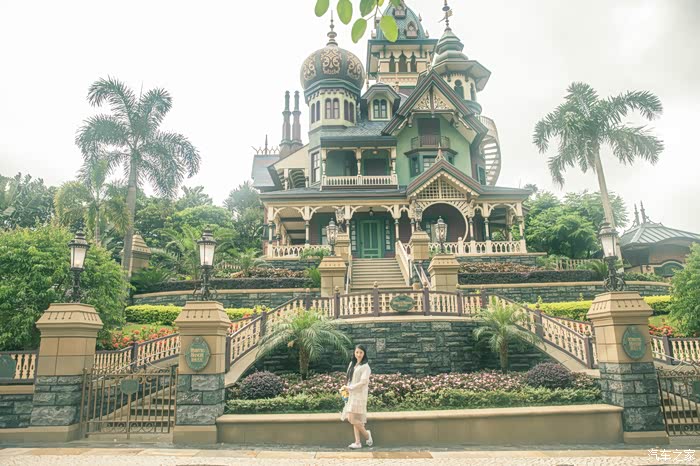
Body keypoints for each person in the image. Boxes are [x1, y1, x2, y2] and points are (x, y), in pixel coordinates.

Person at [340, 344, 373, 449]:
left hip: (359, 395)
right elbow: (349, 378)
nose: (358, 354)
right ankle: (357, 442)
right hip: (351, 393)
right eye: (357, 352)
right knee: (354, 418)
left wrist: (351, 388)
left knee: (352, 418)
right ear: (354, 353)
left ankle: (367, 435)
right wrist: (346, 388)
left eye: (361, 352)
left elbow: (363, 382)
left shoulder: (365, 367)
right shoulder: (352, 363)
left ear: (364, 354)